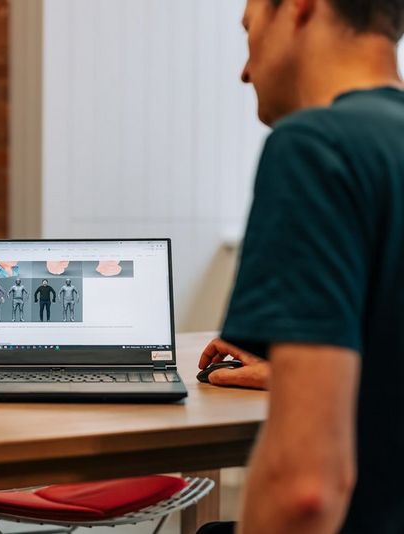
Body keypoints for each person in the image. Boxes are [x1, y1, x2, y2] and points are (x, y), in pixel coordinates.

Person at [196, 0, 404, 532]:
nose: (245, 71)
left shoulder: (316, 149)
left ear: (298, 8)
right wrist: (293, 371)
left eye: (249, 31)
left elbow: (304, 491)